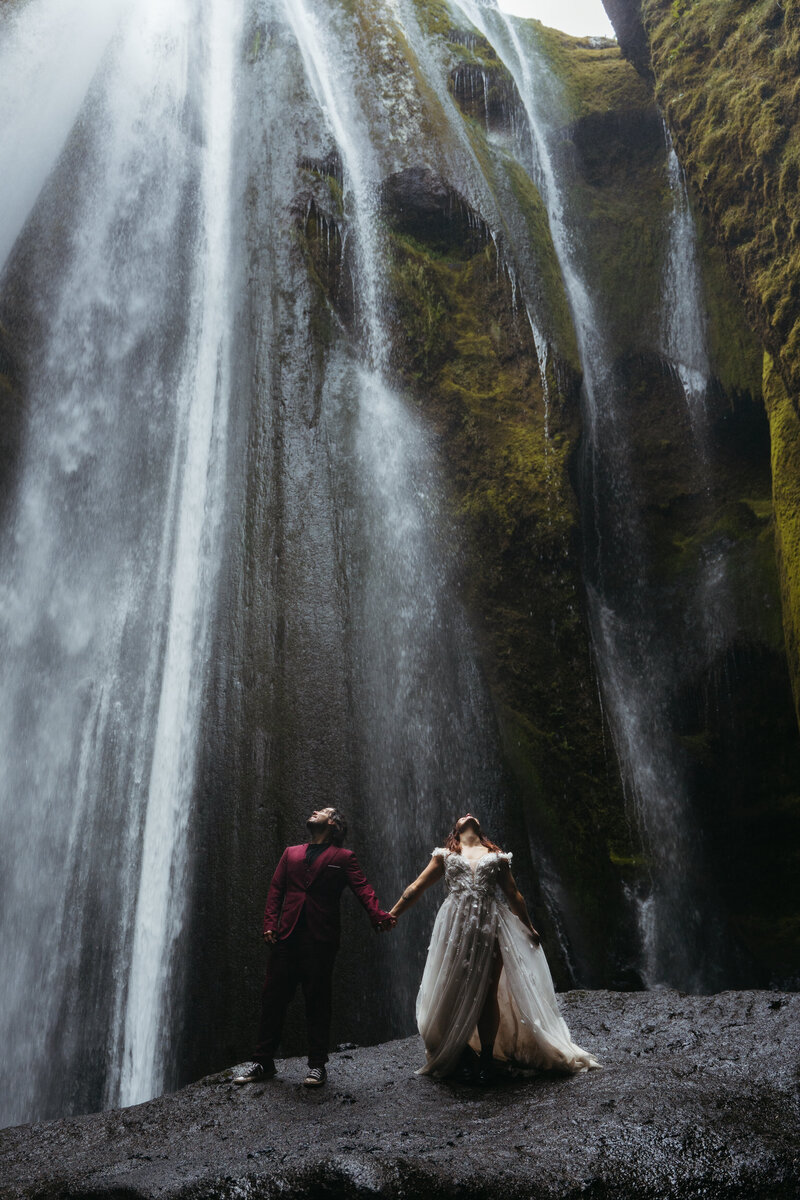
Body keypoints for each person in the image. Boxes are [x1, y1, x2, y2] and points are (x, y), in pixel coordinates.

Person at [389, 814, 600, 1083]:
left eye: (471, 815)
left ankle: (487, 1058)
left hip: (491, 924)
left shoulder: (497, 856)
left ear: (480, 829)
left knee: (488, 991)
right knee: (453, 985)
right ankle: (460, 1050)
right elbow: (416, 887)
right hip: (456, 925)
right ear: (455, 830)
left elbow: (514, 894)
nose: (467, 815)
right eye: (461, 816)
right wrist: (393, 914)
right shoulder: (443, 855)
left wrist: (529, 927)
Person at [234, 806, 395, 1088]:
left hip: (320, 939)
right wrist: (270, 924)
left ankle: (317, 1065)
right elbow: (276, 890)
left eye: (322, 811)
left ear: (333, 823)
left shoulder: (344, 858)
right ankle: (263, 1061)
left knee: (317, 1000)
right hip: (287, 935)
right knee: (272, 997)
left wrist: (377, 915)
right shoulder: (290, 853)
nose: (314, 811)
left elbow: (363, 888)